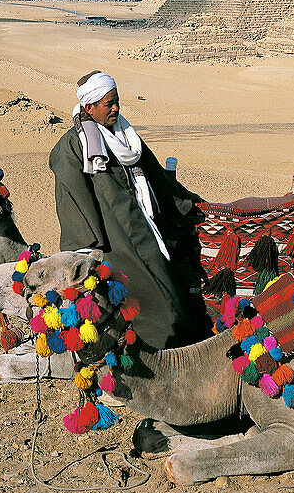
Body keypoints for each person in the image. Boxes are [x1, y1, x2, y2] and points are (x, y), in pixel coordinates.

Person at [49, 71, 210, 349]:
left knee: (172, 289)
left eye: (117, 102)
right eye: (108, 103)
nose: (115, 108)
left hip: (145, 226)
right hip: (113, 239)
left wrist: (186, 202)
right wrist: (88, 246)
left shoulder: (126, 136)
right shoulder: (73, 146)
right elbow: (72, 198)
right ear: (89, 107)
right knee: (149, 300)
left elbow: (156, 176)